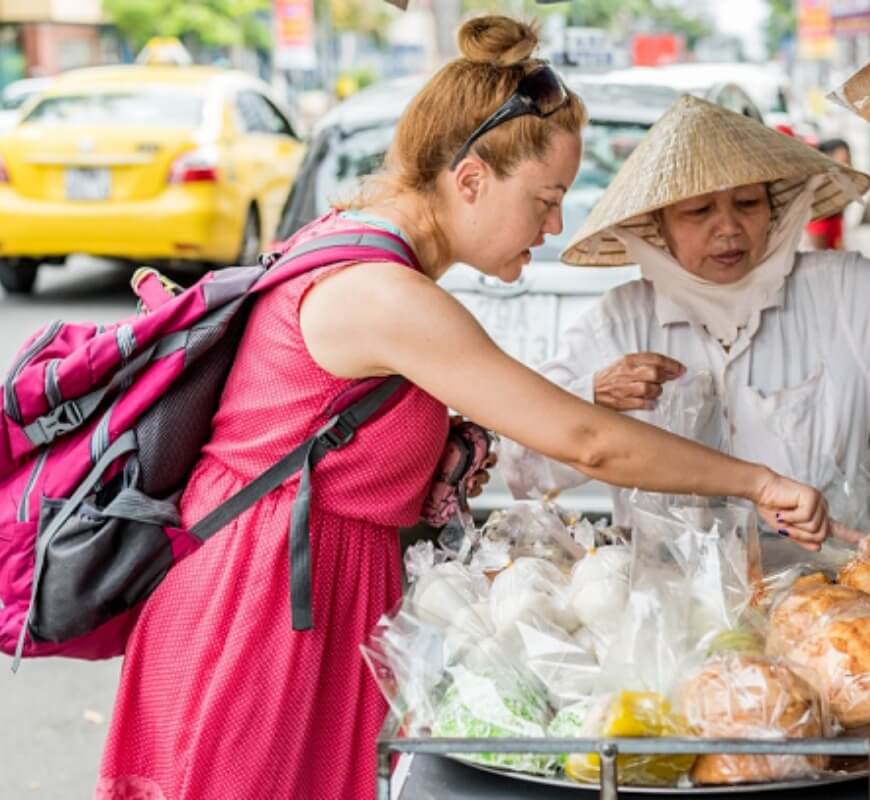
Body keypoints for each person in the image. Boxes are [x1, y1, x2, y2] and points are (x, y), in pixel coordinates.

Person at [96, 17, 831, 800]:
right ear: (472, 177)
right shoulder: (386, 295)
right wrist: (758, 481)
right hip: (262, 616)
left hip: (305, 600)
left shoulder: (364, 251)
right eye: (546, 200)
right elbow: (588, 445)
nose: (553, 229)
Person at [502, 96, 870, 523]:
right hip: (672, 611)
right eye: (699, 212)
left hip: (828, 601)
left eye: (747, 204)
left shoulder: (838, 291)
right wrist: (592, 398)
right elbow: (522, 469)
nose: (729, 229)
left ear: (775, 210)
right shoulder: (616, 326)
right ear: (658, 227)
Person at [805, 138, 852, 250]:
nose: (849, 166)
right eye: (844, 161)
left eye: (849, 160)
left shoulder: (839, 192)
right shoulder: (818, 206)